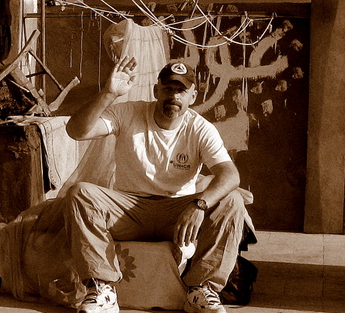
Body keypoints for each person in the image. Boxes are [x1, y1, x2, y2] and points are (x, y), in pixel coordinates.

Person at [64, 56, 248, 313]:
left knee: (232, 200)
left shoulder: (200, 128)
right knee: (81, 193)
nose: (174, 97)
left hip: (177, 215)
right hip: (128, 210)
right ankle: (102, 288)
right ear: (155, 91)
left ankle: (201, 290)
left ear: (192, 96)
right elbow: (77, 131)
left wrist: (199, 204)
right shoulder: (128, 112)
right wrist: (108, 94)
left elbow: (230, 174)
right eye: (168, 89)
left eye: (181, 91)